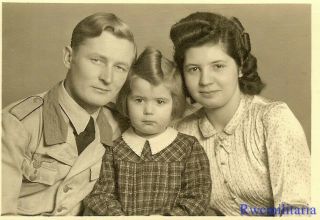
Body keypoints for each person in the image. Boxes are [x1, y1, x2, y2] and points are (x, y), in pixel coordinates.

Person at [170, 12, 310, 216]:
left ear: (240, 67)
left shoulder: (273, 119)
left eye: (218, 66)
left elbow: (298, 210)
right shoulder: (180, 132)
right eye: (193, 69)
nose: (205, 80)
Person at [1, 12, 136, 215]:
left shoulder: (121, 125)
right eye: (97, 60)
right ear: (68, 57)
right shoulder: (16, 124)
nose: (107, 78)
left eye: (120, 67)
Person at [82, 47, 212, 216]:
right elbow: (101, 195)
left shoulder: (188, 148)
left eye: (160, 101)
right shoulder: (113, 149)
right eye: (139, 100)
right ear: (125, 101)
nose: (148, 110)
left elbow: (198, 198)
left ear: (175, 104)